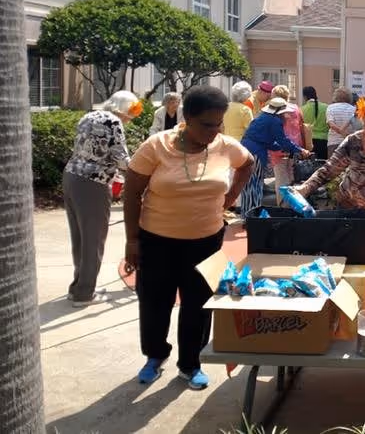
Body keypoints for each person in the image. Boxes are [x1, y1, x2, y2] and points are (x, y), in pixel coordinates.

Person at [123, 86, 255, 389]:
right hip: (157, 240)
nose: (215, 130)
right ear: (187, 118)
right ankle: (155, 356)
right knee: (156, 302)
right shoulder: (157, 146)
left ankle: (190, 364)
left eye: (219, 123)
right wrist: (132, 240)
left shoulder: (225, 146)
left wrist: (231, 196)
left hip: (207, 240)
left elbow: (247, 164)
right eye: (207, 124)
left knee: (198, 304)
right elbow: (131, 193)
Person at [63, 90, 141, 307]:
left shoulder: (89, 115)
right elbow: (122, 158)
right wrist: (145, 167)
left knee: (80, 237)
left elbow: (90, 150)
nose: (131, 117)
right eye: (132, 111)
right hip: (93, 183)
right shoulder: (114, 121)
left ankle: (78, 286)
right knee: (94, 240)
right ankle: (84, 294)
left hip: (71, 176)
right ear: (124, 107)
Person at [239, 97, 311, 217]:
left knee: (248, 185)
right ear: (280, 112)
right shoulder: (275, 121)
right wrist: (300, 150)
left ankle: (246, 215)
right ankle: (252, 217)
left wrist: (283, 149)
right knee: (255, 185)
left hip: (247, 150)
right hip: (255, 153)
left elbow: (269, 142)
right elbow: (283, 140)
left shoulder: (263, 117)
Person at [269, 85, 307, 199]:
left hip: (278, 148)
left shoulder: (274, 110)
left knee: (281, 178)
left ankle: (283, 207)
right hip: (295, 147)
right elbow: (302, 127)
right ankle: (293, 205)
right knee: (291, 177)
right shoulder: (295, 108)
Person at [326, 87, 358, 153]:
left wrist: (341, 132)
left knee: (333, 162)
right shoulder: (354, 109)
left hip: (334, 142)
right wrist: (346, 135)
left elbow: (331, 125)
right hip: (349, 142)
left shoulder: (330, 108)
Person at [301, 86, 329, 159]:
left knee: (309, 167)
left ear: (305, 96)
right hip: (324, 141)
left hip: (308, 142)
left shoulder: (302, 109)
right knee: (322, 166)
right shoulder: (326, 107)